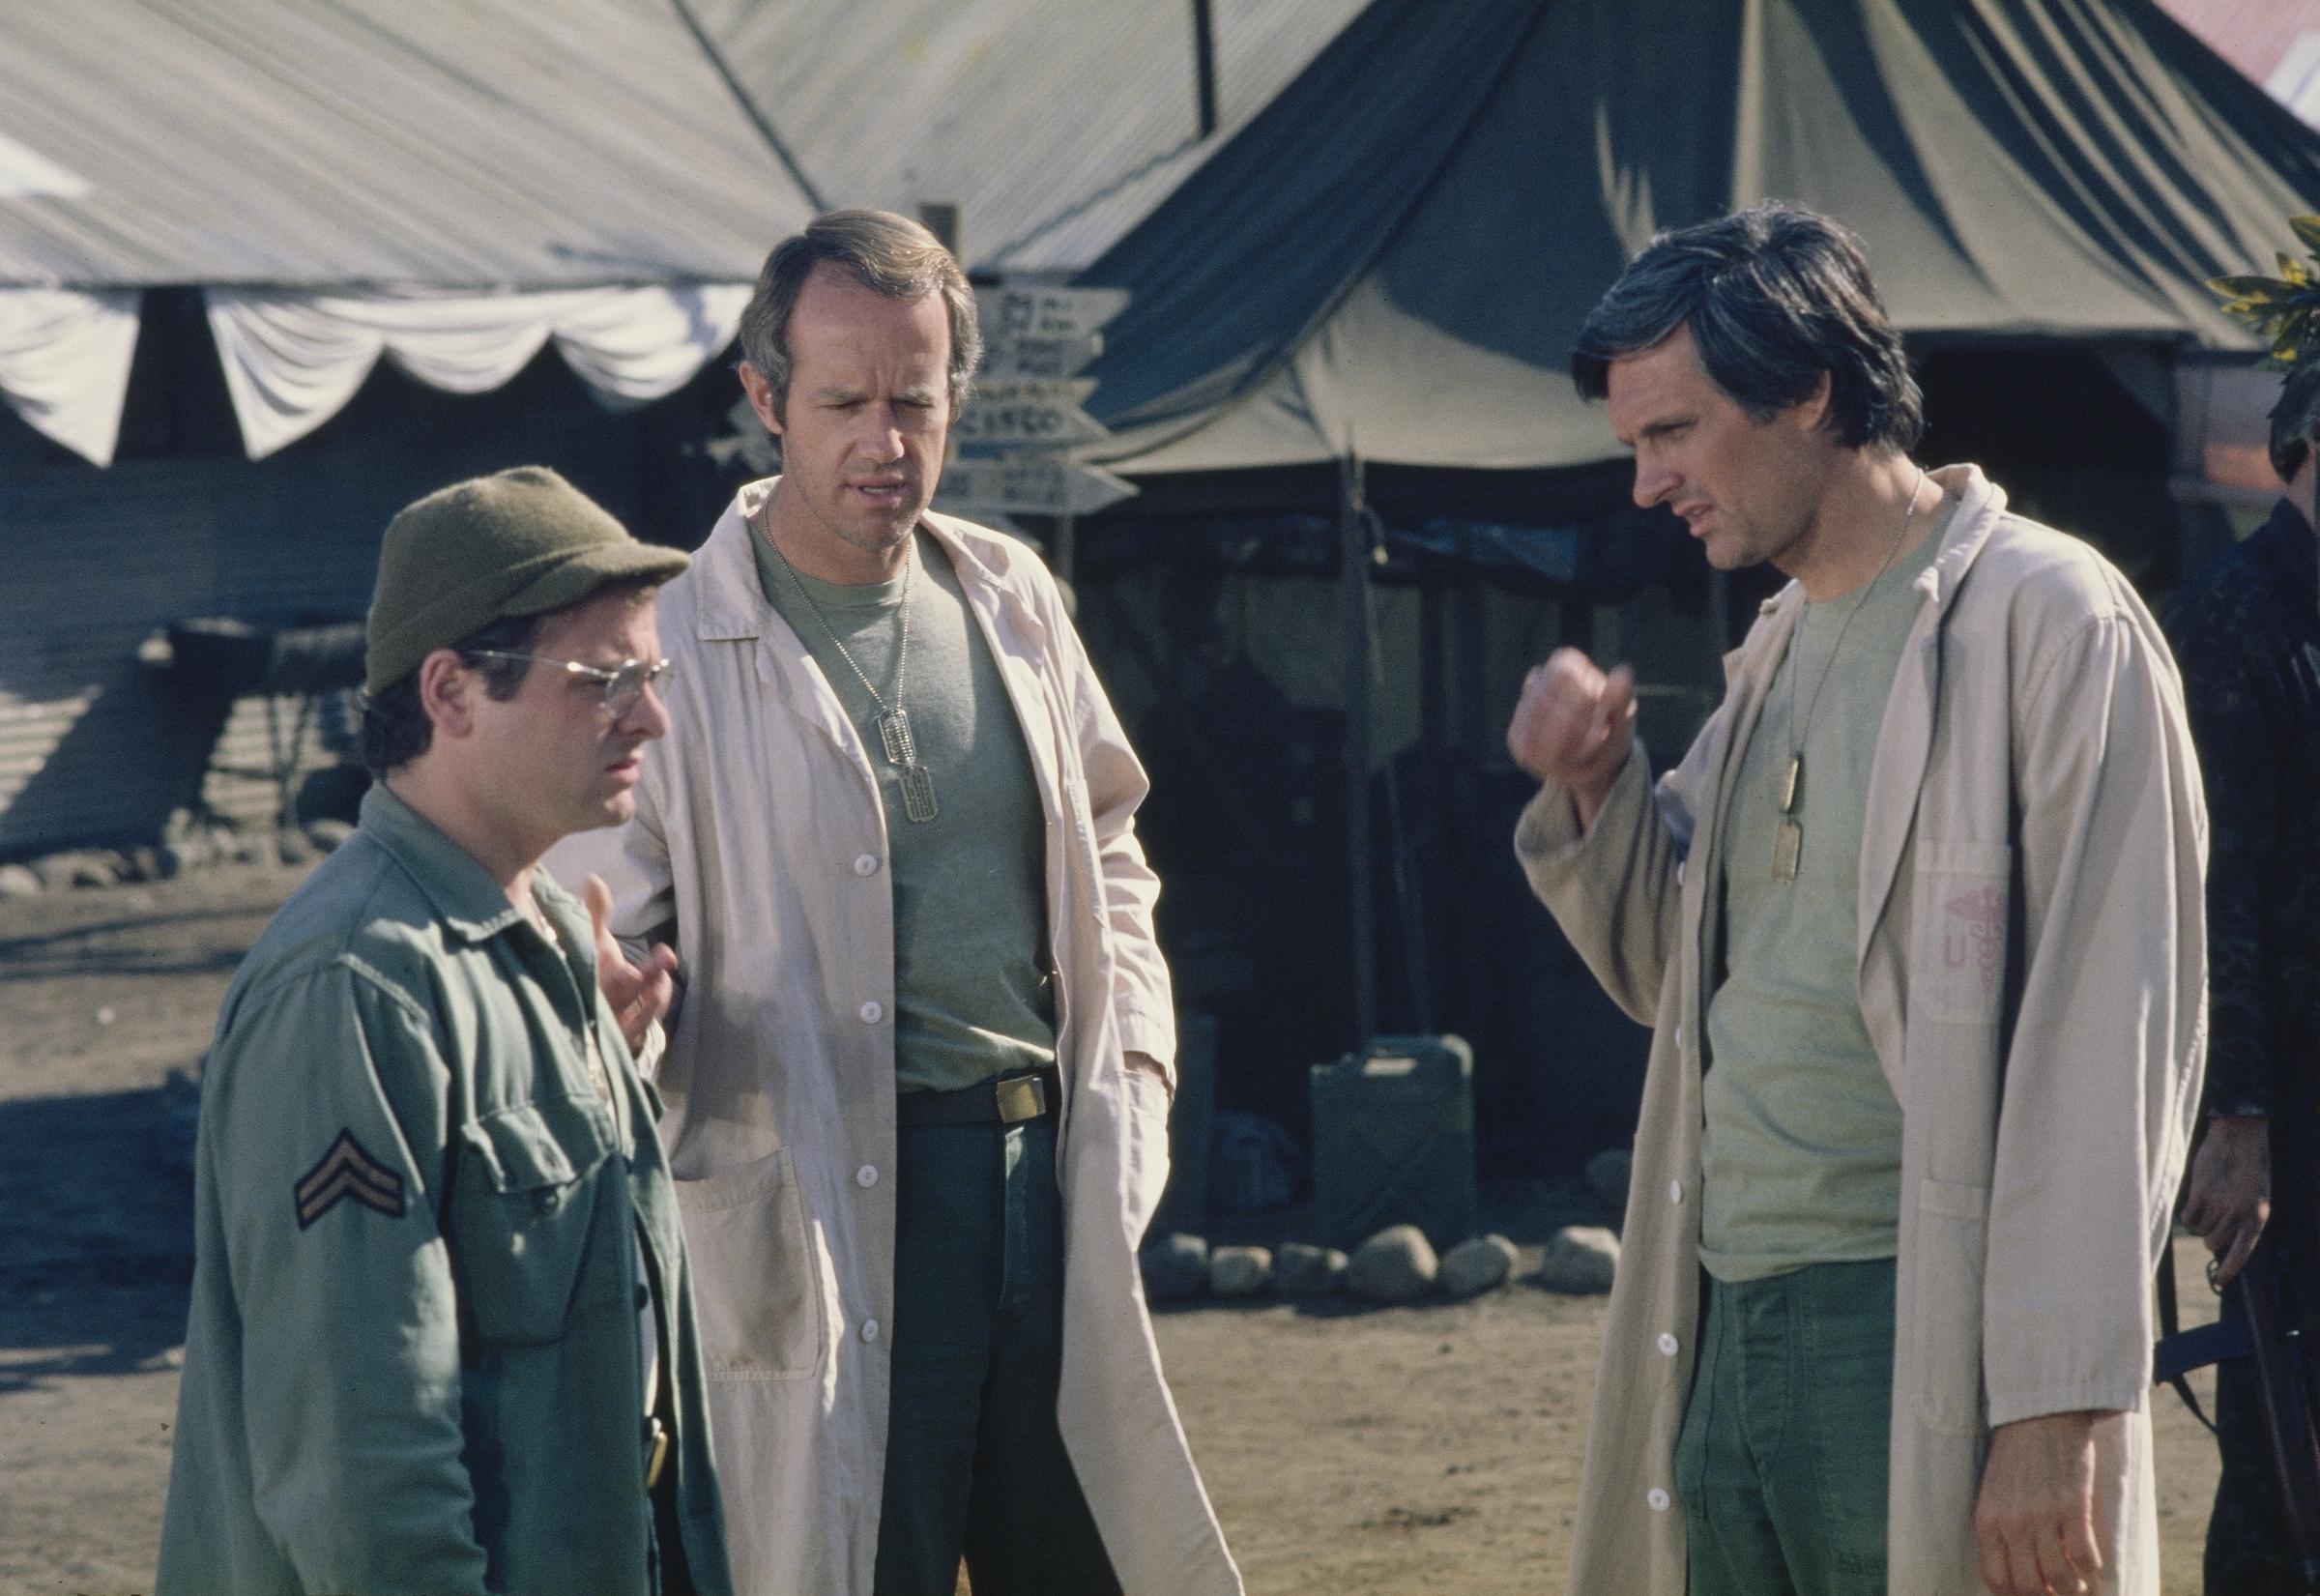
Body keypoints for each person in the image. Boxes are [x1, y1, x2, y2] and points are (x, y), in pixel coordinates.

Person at [1506, 203, 2205, 1596]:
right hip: (1719, 1318)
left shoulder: (2052, 620)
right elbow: (1674, 978)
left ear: (1811, 389)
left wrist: (2052, 1408)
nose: (1646, 485)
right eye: (1635, 443)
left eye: (1673, 434)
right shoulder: (1776, 641)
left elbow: (2111, 1047)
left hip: (1911, 1321)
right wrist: (1596, 786)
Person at [546, 209, 1240, 1596]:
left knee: (1086, 1555)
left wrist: (1144, 1072)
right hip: (823, 1199)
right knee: (868, 1558)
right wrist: (615, 1018)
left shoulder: (1010, 592)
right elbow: (588, 937)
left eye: (914, 402)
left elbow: (1109, 838)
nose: (885, 441)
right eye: (844, 402)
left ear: (953, 398)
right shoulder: (677, 639)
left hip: (1041, 1186)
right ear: (765, 402)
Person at [156, 467, 733, 1596]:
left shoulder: (548, 928)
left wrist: (601, 1063)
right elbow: (362, 1465)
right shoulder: (354, 986)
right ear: (454, 691)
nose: (652, 715)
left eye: (653, 674)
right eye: (606, 678)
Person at [2168, 293, 2320, 1591]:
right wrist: (2242, 1112)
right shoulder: (2237, 612)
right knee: (2287, 1472)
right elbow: (2214, 889)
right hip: (2296, 1134)